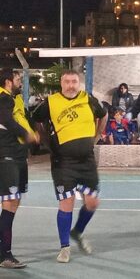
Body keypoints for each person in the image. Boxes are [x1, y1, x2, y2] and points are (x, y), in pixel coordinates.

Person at [32, 69, 108, 263]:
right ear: (61, 83)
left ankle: (77, 231)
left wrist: (97, 136)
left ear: (78, 83)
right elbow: (35, 120)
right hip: (63, 162)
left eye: (74, 81)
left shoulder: (88, 99)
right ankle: (64, 247)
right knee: (67, 204)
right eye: (67, 82)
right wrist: (46, 141)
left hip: (87, 161)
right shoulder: (50, 102)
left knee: (92, 203)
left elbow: (104, 115)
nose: (71, 85)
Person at [0, 68, 39, 269]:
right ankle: (4, 254)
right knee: (9, 203)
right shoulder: (4, 98)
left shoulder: (13, 100)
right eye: (17, 79)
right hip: (7, 157)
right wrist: (27, 134)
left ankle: (3, 250)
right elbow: (6, 120)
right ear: (8, 82)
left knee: (13, 203)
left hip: (17, 155)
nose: (20, 82)